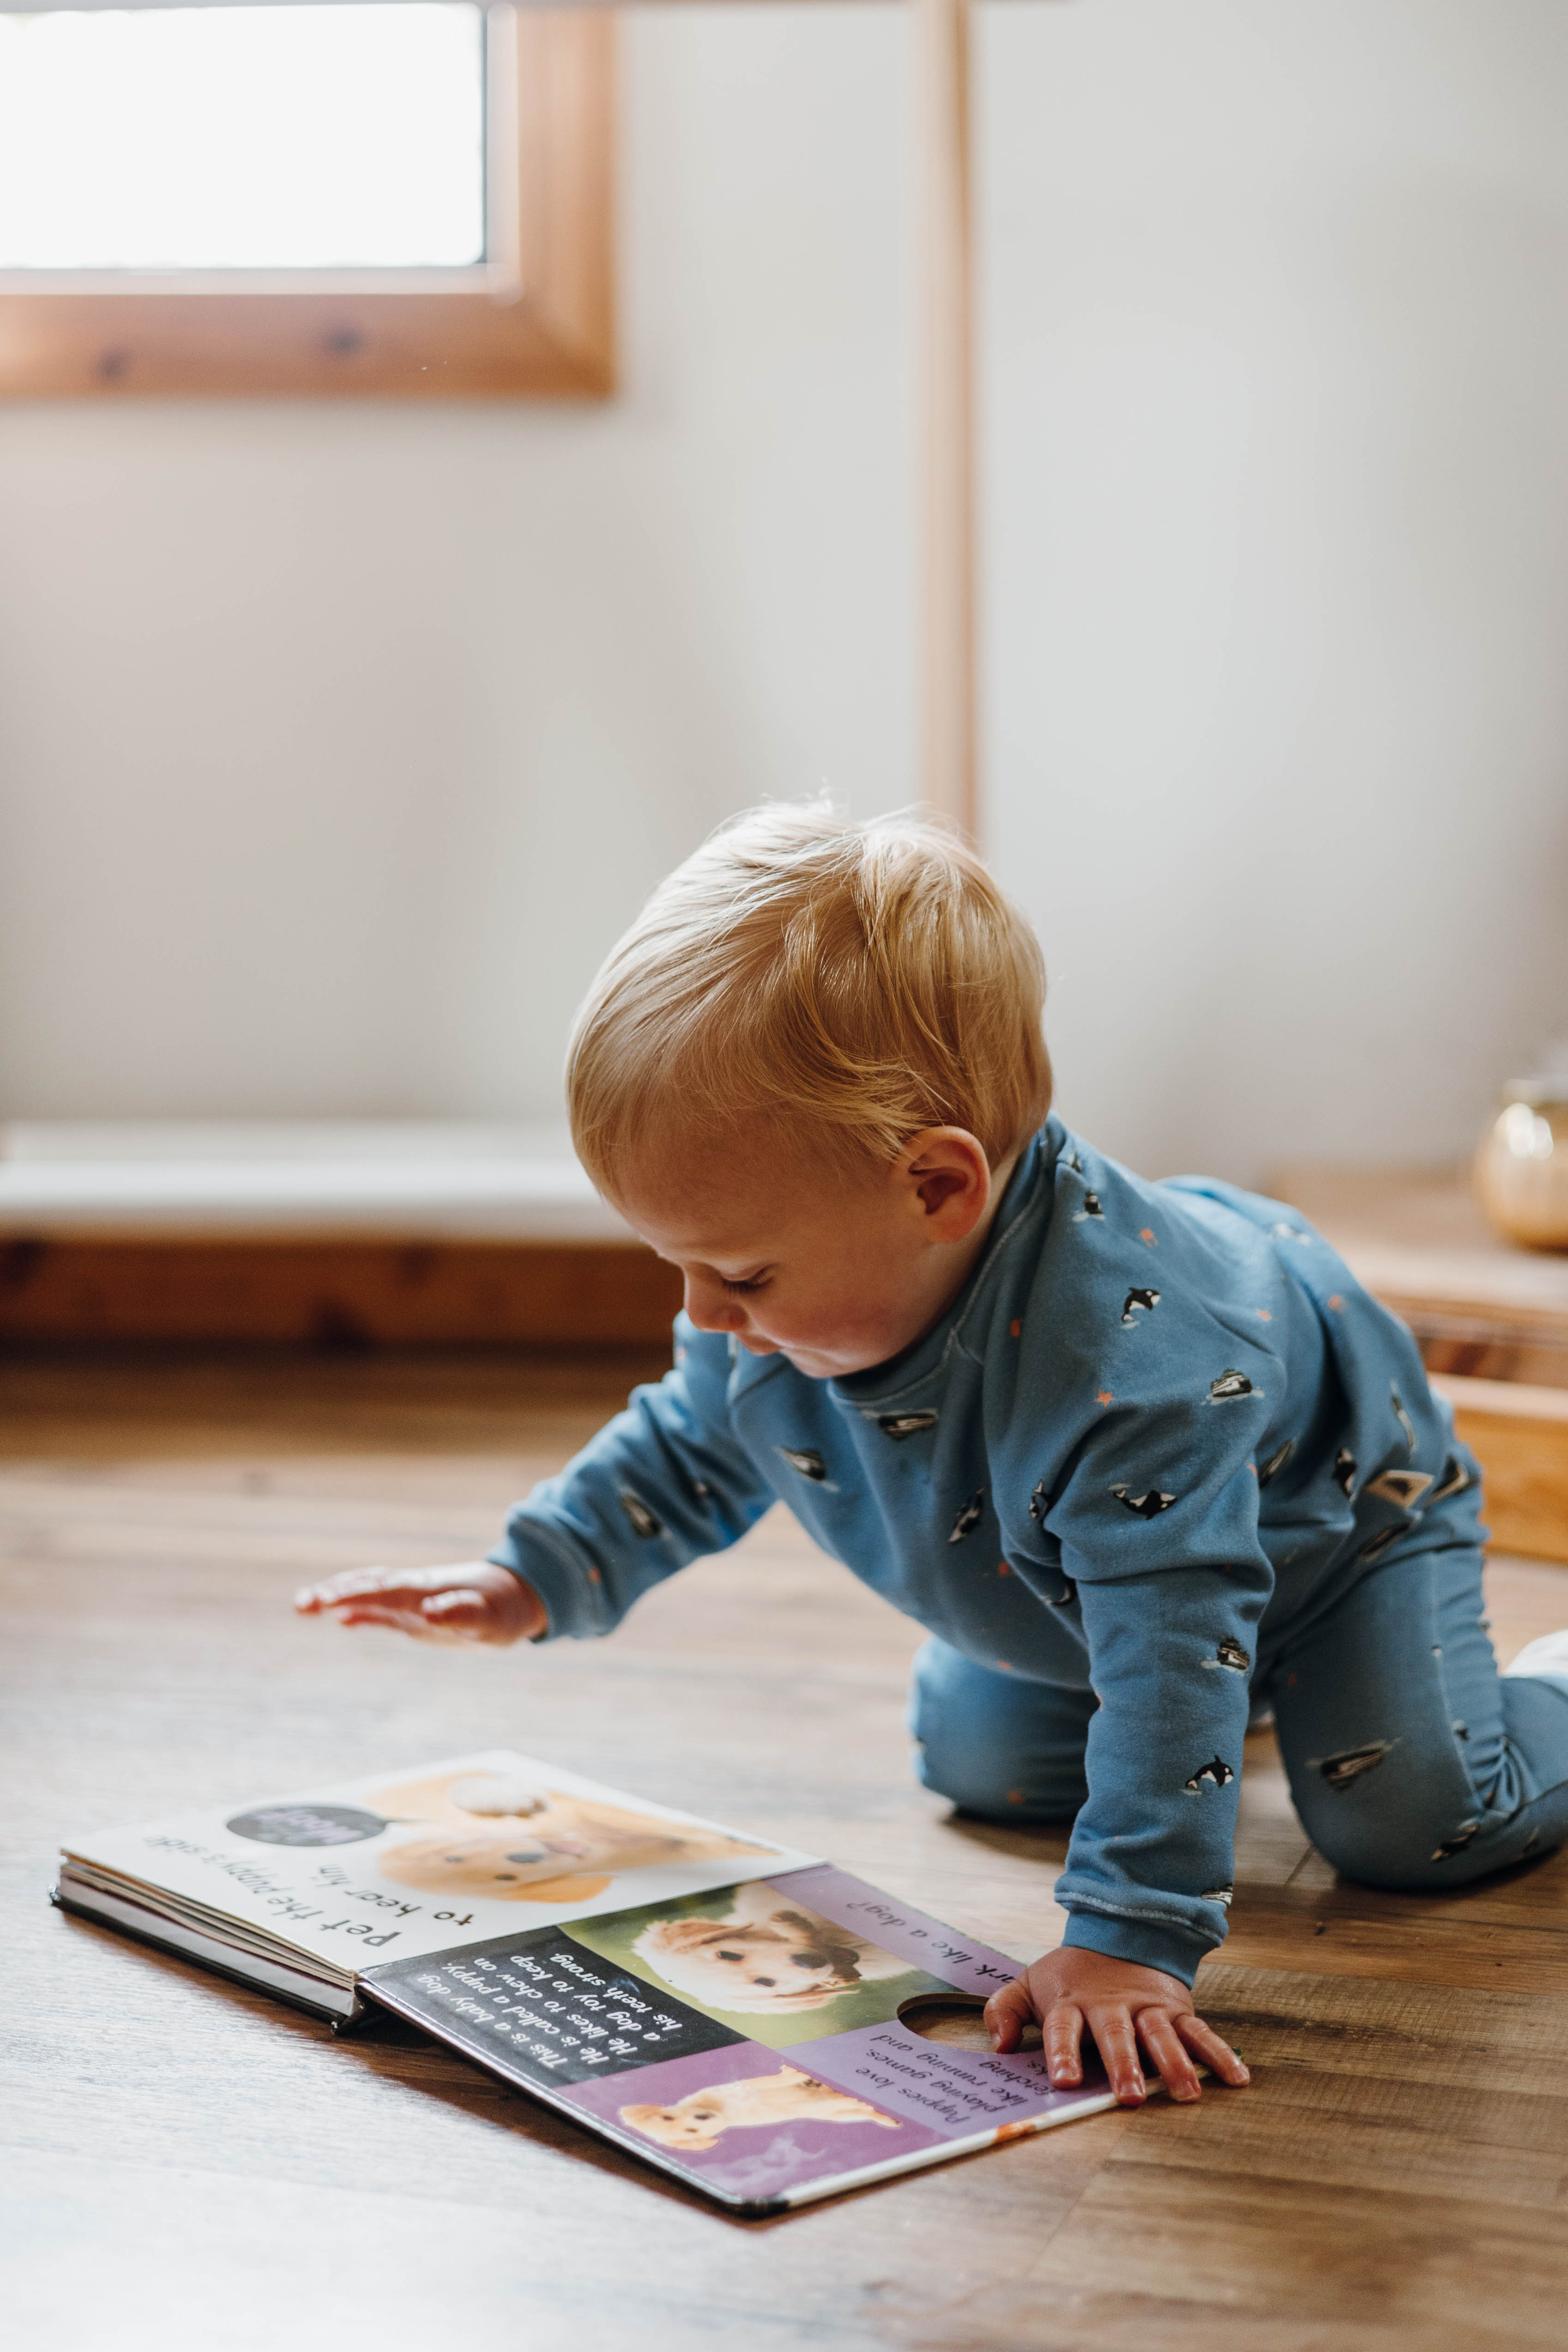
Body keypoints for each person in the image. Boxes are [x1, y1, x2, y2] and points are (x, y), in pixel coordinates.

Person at [295, 804, 1568, 2109]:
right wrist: (532, 1574)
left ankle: (1548, 1690)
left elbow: (1172, 1642)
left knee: (1406, 1822)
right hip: (1102, 1579)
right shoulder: (773, 1312)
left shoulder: (1141, 1378)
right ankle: (1237, 1710)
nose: (702, 1313)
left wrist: (1128, 1937)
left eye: (740, 1272)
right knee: (985, 1768)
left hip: (1343, 1537)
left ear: (937, 1188)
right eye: (675, 1264)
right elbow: (691, 1441)